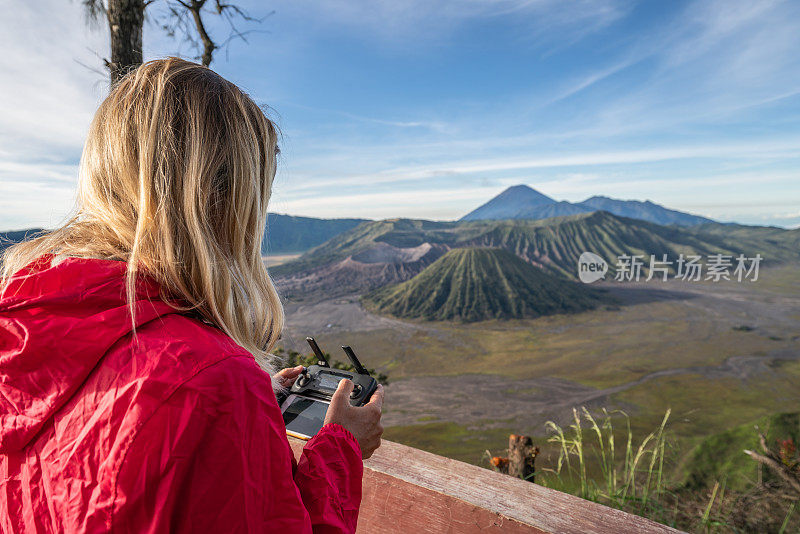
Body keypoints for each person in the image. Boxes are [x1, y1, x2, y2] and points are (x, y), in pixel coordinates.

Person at [0, 58, 384, 533]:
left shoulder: (19, 323)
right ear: (225, 200)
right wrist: (340, 449)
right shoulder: (215, 381)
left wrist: (249, 414)